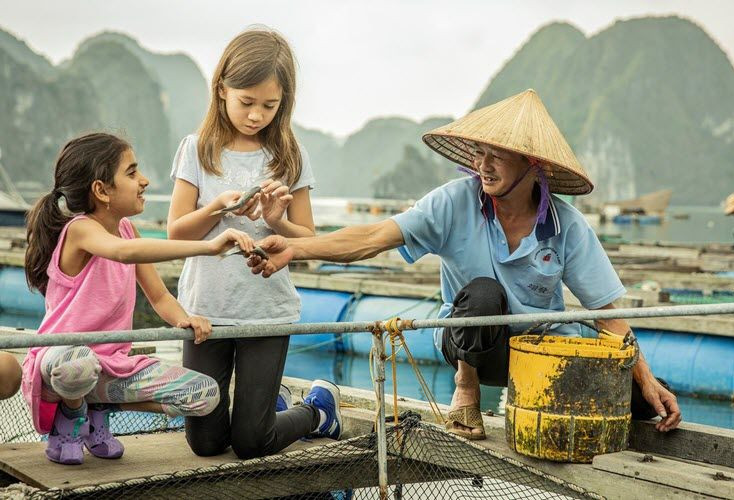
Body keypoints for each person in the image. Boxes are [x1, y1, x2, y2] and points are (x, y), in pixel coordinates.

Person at [249, 89, 681, 440]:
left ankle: (555, 401)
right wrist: (294, 246)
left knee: (644, 404)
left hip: (538, 351)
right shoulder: (453, 202)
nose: (482, 164)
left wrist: (644, 377)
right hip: (472, 344)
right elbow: (370, 239)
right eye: (479, 152)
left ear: (533, 165)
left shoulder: (566, 225)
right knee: (482, 294)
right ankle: (466, 389)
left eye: (497, 155)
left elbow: (609, 315)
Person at [20, 132, 285, 465]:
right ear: (101, 190)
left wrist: (182, 318)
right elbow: (123, 253)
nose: (143, 181)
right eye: (131, 173)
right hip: (59, 365)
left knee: (205, 395)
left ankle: (97, 406)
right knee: (79, 365)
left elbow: (158, 295)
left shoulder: (129, 229)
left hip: (110, 368)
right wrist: (209, 245)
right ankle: (71, 418)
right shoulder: (79, 229)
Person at [167, 27, 341, 459]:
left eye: (270, 105)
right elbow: (176, 233)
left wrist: (275, 219)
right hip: (206, 310)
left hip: (267, 310)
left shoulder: (290, 155)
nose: (255, 115)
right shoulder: (198, 149)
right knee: (205, 442)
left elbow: (309, 240)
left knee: (251, 443)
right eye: (246, 102)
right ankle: (266, 408)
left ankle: (318, 412)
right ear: (222, 88)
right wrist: (220, 206)